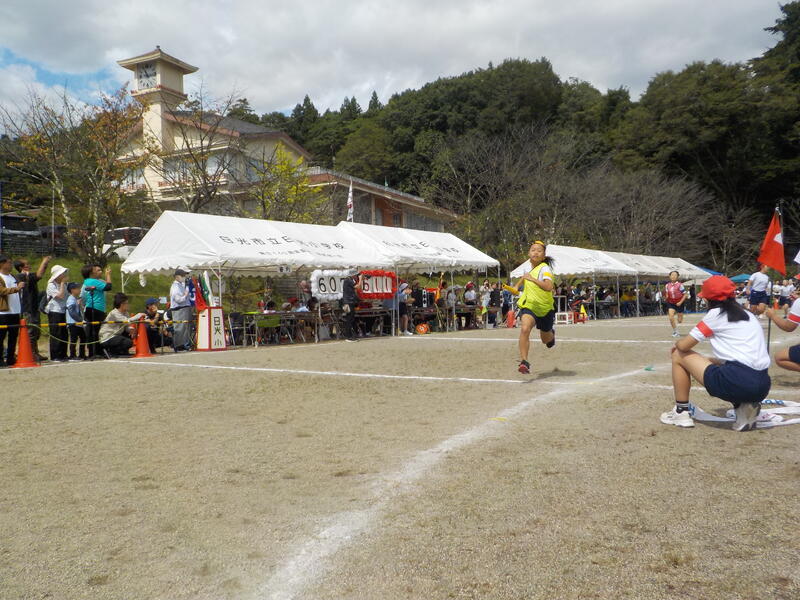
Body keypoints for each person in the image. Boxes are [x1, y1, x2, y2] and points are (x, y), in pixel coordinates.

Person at [661, 275, 770, 431]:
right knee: (721, 367)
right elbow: (741, 358)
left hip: (738, 381)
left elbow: (684, 346)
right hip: (762, 385)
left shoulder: (715, 315)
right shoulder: (748, 315)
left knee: (678, 354)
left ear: (708, 299)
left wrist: (677, 344)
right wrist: (709, 360)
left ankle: (681, 411)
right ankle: (744, 407)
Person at [514, 241, 556, 375]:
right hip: (529, 306)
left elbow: (548, 287)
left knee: (546, 340)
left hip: (545, 309)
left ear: (544, 256)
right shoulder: (527, 269)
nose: (535, 252)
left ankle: (551, 334)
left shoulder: (545, 269)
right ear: (529, 254)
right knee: (525, 329)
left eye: (539, 251)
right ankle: (524, 362)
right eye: (533, 250)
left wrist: (533, 280)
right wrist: (516, 287)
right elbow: (524, 277)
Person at [14, 255, 50, 361]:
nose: (29, 266)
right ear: (21, 267)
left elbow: (38, 275)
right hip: (27, 309)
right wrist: (44, 261)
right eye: (27, 264)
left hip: (34, 308)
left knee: (35, 332)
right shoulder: (21, 276)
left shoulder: (28, 276)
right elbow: (39, 274)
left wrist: (45, 263)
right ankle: (30, 353)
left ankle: (35, 352)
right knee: (30, 332)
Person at [81, 264, 113, 359]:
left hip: (96, 308)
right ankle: (95, 351)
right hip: (95, 308)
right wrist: (108, 275)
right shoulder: (92, 281)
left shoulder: (90, 281)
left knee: (94, 331)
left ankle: (95, 351)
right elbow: (108, 287)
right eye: (96, 270)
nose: (99, 272)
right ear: (91, 273)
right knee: (95, 331)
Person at [99, 293, 144, 357]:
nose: (128, 305)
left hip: (116, 335)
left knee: (128, 336)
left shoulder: (125, 313)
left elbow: (125, 326)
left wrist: (131, 330)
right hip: (107, 337)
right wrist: (138, 315)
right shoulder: (114, 313)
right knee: (128, 342)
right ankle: (111, 351)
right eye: (127, 303)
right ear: (122, 304)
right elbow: (126, 321)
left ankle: (121, 351)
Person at [0, 254, 25, 367]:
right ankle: (1, 359)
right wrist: (16, 288)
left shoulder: (13, 276)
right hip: (3, 312)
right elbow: (2, 291)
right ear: (2, 264)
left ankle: (11, 358)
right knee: (1, 337)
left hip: (15, 311)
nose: (11, 265)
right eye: (9, 262)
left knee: (13, 337)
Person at [45, 264, 69, 362]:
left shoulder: (65, 285)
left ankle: (63, 354)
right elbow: (60, 296)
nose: (64, 275)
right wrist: (62, 284)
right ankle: (55, 355)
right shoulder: (51, 285)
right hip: (54, 311)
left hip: (63, 310)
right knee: (56, 333)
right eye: (62, 273)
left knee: (64, 333)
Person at [169, 268, 193, 351]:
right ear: (177, 277)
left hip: (184, 308)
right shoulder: (175, 287)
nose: (184, 277)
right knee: (179, 328)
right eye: (182, 276)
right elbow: (178, 300)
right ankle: (178, 345)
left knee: (185, 328)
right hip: (178, 309)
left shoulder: (180, 285)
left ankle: (183, 344)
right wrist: (185, 295)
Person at [65, 282, 86, 360]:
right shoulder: (71, 299)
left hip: (78, 323)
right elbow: (72, 312)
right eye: (77, 288)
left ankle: (82, 354)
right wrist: (80, 320)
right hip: (72, 323)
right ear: (72, 290)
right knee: (74, 339)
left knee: (83, 337)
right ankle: (72, 355)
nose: (79, 290)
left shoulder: (75, 299)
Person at [664, 271, 687, 337]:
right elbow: (667, 293)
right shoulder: (667, 285)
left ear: (677, 277)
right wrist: (666, 297)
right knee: (671, 317)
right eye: (672, 275)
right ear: (669, 276)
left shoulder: (680, 285)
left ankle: (680, 316)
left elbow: (685, 295)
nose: (673, 276)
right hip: (671, 302)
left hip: (679, 303)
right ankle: (675, 331)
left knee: (679, 321)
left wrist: (680, 302)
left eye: (675, 275)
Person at [341, 272, 360, 341]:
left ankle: (350, 335)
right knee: (349, 319)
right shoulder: (348, 280)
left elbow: (355, 289)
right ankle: (348, 336)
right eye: (356, 275)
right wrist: (361, 279)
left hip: (349, 302)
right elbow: (357, 287)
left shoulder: (349, 280)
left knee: (351, 319)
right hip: (349, 302)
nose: (356, 276)